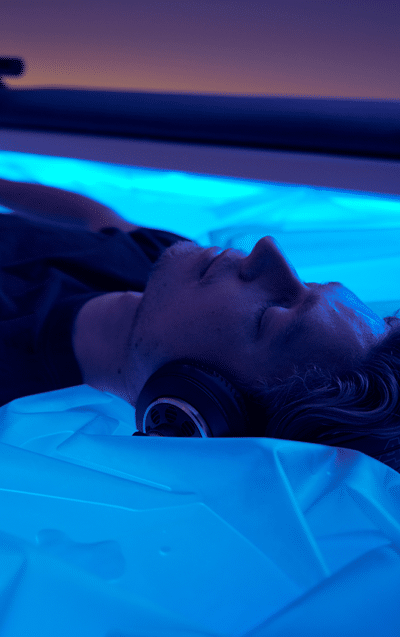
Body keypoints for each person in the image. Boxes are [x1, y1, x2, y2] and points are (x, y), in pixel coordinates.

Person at [1, 178, 400, 470]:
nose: (269, 251)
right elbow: (95, 218)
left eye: (270, 315)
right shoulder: (165, 267)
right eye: (311, 283)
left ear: (205, 399)